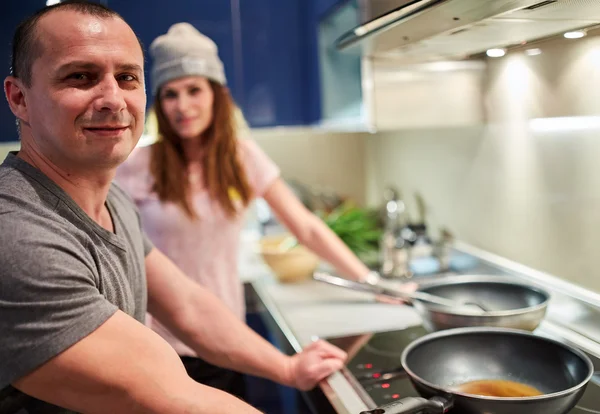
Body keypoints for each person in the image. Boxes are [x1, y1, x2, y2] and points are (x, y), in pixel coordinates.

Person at [0, 2, 347, 413]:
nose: (113, 98)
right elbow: (171, 395)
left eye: (127, 77)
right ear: (19, 98)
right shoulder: (19, 236)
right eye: (81, 76)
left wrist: (287, 369)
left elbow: (185, 304)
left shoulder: (113, 200)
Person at [114, 22, 385, 398]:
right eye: (171, 94)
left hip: (226, 339)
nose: (183, 106)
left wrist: (370, 283)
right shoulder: (135, 165)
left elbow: (306, 227)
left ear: (216, 94)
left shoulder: (242, 158)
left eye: (194, 89)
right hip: (159, 346)